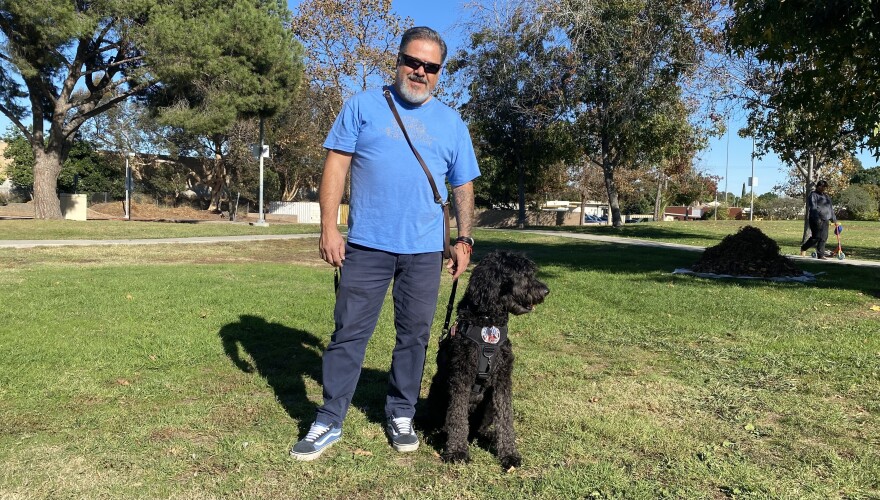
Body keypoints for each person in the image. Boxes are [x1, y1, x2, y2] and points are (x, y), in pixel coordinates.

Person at [290, 26, 480, 461]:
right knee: (348, 334)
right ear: (397, 60)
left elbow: (463, 185)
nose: (420, 71)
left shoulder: (452, 123)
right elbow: (336, 166)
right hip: (367, 245)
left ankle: (401, 412)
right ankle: (329, 418)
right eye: (413, 61)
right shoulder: (363, 105)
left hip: (424, 249)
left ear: (439, 72)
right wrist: (328, 227)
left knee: (414, 336)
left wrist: (464, 238)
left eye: (431, 67)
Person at [800, 180, 839, 260]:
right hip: (815, 219)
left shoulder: (826, 196)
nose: (823, 188)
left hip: (825, 219)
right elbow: (813, 207)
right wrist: (817, 218)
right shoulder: (813, 195)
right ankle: (804, 248)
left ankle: (820, 255)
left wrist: (834, 220)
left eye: (824, 187)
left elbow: (830, 209)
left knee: (824, 237)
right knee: (816, 237)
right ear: (818, 186)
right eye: (821, 186)